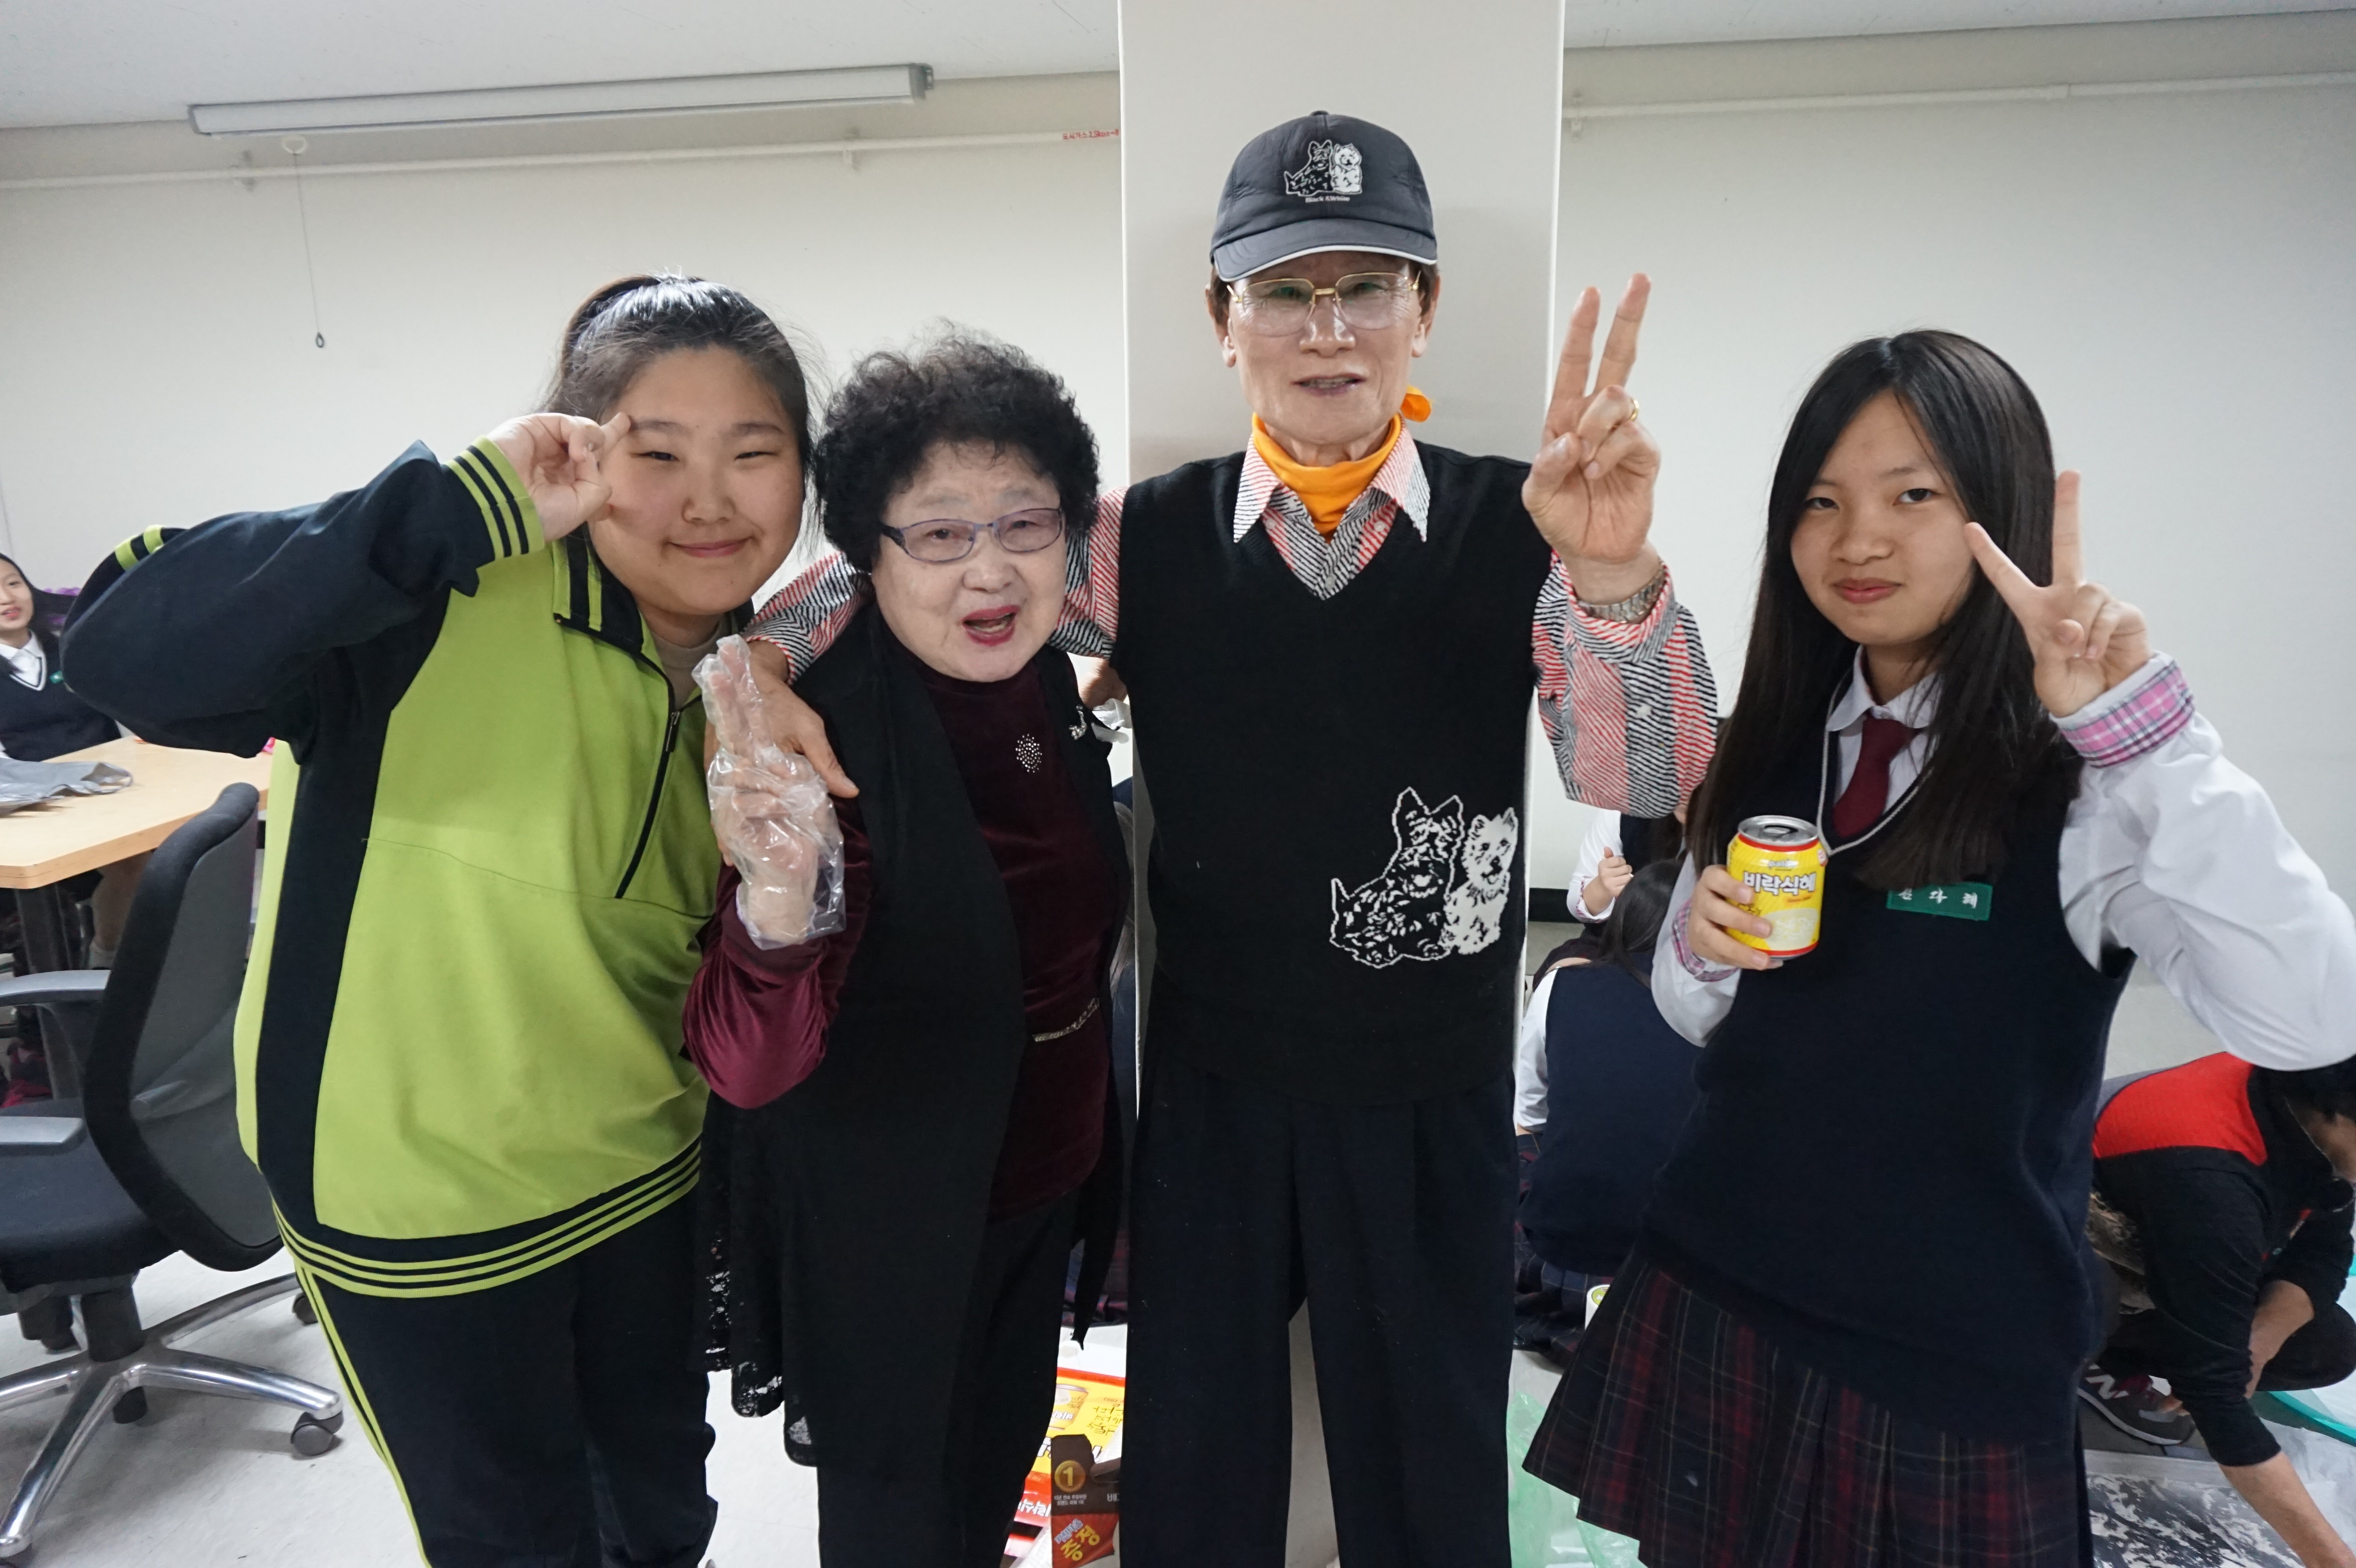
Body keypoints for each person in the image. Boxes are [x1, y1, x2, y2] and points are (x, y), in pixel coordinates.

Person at [731, 112, 1718, 1566]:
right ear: (1222, 320)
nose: (1328, 329)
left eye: (1366, 286)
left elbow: (1645, 774)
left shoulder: (1524, 524)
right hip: (1211, 1091)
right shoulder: (1141, 538)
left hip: (1431, 1087)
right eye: (1284, 292)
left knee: (1432, 1481)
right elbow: (933, 568)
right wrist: (756, 658)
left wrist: (1618, 568)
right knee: (1196, 1480)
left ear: (1423, 311)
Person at [1525, 329, 2356, 1568]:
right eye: (1821, 502)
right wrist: (1697, 949)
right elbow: (1704, 1020)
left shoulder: (2092, 783)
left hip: (1949, 1348)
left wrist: (2148, 738)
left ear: (1999, 509)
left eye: (1913, 496)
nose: (1858, 540)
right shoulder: (1771, 743)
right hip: (1720, 1280)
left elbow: (2311, 1015)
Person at [61, 274, 811, 1568]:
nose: (708, 501)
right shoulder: (431, 600)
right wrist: (445, 509)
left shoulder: (762, 671)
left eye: (754, 454)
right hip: (421, 1200)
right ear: (576, 454)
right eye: (655, 454)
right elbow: (120, 651)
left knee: (659, 1512)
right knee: (511, 1540)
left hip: (644, 1172)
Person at [686, 335, 1124, 1567]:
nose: (988, 567)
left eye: (1024, 523)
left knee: (992, 1467)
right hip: (895, 1215)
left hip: (1039, 1170)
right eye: (937, 533)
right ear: (865, 552)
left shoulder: (1039, 674)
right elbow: (748, 1059)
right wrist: (780, 896)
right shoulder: (821, 735)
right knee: (900, 1516)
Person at [2082, 1053, 2356, 1567]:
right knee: (2086, 1308)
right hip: (2046, 1266)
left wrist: (2255, 1345)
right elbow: (2216, 1397)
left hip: (2165, 1256)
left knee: (2324, 1345)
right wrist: (2334, 1559)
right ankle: (2079, 1359)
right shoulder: (2209, 1173)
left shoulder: (2307, 1110)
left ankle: (2111, 1360)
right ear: (2340, 1111)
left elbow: (2324, 1251)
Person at [1511, 860, 1692, 1365]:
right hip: (1679, 1271)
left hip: (1559, 1258)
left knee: (1520, 1145)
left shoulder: (1563, 984)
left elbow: (1525, 1112)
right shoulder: (1729, 1009)